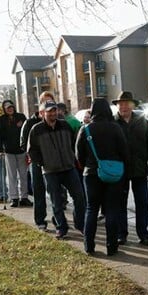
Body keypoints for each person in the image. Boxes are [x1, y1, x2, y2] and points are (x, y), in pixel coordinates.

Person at [76, 98, 129, 255]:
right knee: (112, 210)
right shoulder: (116, 128)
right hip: (113, 174)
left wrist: (88, 165)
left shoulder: (85, 129)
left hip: (91, 173)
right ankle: (111, 247)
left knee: (91, 209)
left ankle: (89, 246)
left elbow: (79, 155)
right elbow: (125, 152)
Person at [28, 101, 85, 239]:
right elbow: (32, 151)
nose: (53, 113)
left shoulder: (65, 125)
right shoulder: (36, 130)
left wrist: (72, 157)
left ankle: (80, 223)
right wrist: (43, 163)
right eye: (49, 111)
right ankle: (61, 227)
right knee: (56, 201)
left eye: (55, 111)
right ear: (42, 113)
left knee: (79, 197)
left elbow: (73, 143)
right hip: (50, 171)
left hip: (68, 168)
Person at [115, 91, 148, 246]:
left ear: (133, 105)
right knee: (120, 203)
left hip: (140, 170)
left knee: (142, 203)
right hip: (120, 171)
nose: (123, 106)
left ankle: (143, 234)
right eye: (121, 103)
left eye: (127, 103)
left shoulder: (142, 122)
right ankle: (122, 234)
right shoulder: (113, 123)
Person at [21, 92, 53, 231]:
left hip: (54, 162)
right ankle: (40, 219)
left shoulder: (57, 120)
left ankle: (57, 219)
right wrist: (35, 156)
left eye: (50, 101)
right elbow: (23, 143)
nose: (48, 105)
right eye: (45, 101)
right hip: (37, 162)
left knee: (55, 192)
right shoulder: (30, 122)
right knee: (39, 191)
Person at [0, 100, 32, 208]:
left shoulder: (21, 116)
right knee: (12, 176)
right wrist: (0, 149)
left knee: (23, 175)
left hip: (21, 151)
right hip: (9, 151)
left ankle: (24, 197)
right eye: (7, 108)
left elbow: (27, 131)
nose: (10, 109)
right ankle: (14, 198)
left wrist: (27, 148)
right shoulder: (2, 119)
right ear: (4, 109)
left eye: (11, 107)